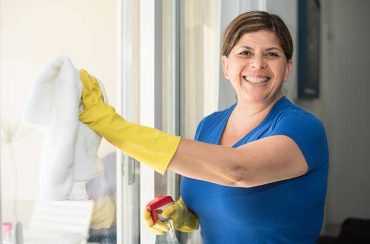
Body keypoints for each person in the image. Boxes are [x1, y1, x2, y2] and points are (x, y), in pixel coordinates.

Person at [79, 10, 328, 244]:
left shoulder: (303, 129)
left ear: (287, 69)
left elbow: (236, 170)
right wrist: (182, 214)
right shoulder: (210, 125)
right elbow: (217, 198)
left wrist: (110, 126)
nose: (258, 63)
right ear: (226, 66)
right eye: (245, 53)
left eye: (271, 53)